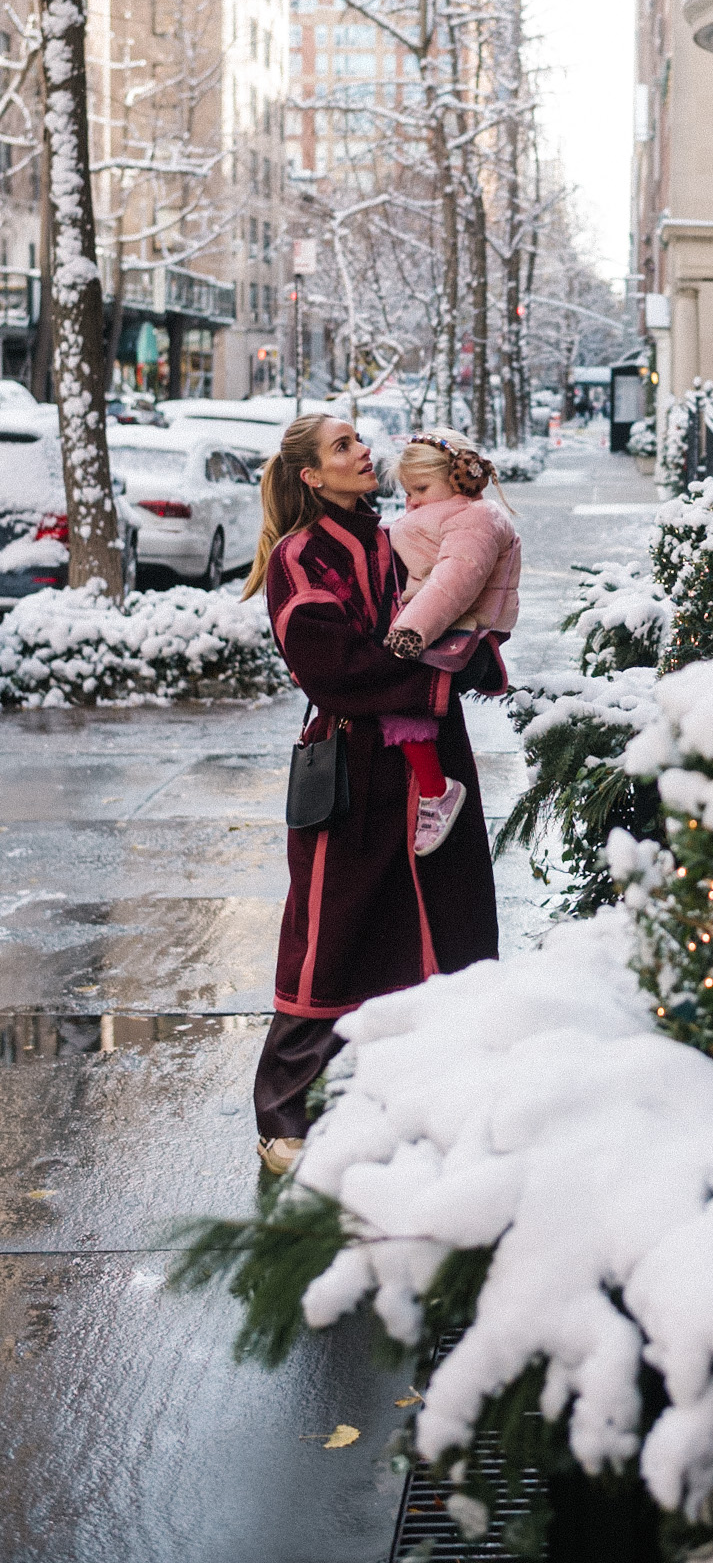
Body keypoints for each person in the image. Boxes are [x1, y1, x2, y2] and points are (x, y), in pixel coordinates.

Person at [241, 414, 499, 1175]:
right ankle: (283, 1117)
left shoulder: (397, 537)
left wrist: (475, 650)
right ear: (311, 477)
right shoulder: (300, 557)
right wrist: (446, 673)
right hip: (352, 769)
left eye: (360, 440)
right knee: (332, 936)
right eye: (343, 446)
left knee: (449, 926)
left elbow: (457, 606)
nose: (364, 453)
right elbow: (335, 669)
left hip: (432, 763)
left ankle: (437, 1099)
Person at [378, 432, 521, 859]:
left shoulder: (473, 519)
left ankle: (436, 791)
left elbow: (453, 582)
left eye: (421, 489)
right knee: (400, 704)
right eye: (408, 493)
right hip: (439, 628)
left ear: (459, 480)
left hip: (448, 630)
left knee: (399, 699)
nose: (414, 501)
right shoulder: (453, 515)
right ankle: (433, 788)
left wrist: (410, 631)